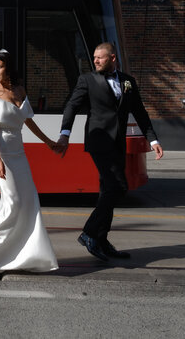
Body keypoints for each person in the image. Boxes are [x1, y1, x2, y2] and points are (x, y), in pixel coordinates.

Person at [55, 42, 163, 261]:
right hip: (99, 141)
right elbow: (72, 106)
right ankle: (89, 233)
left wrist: (153, 140)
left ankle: (101, 240)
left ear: (113, 58)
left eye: (100, 58)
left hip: (117, 144)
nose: (95, 61)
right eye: (94, 58)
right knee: (118, 186)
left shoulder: (128, 82)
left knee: (108, 191)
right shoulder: (87, 80)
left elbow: (140, 113)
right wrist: (65, 133)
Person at [0, 51, 60, 275]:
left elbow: (28, 121)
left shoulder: (19, 90)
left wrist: (48, 142)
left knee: (29, 201)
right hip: (2, 153)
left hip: (19, 153)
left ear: (8, 68)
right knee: (12, 204)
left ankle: (24, 255)